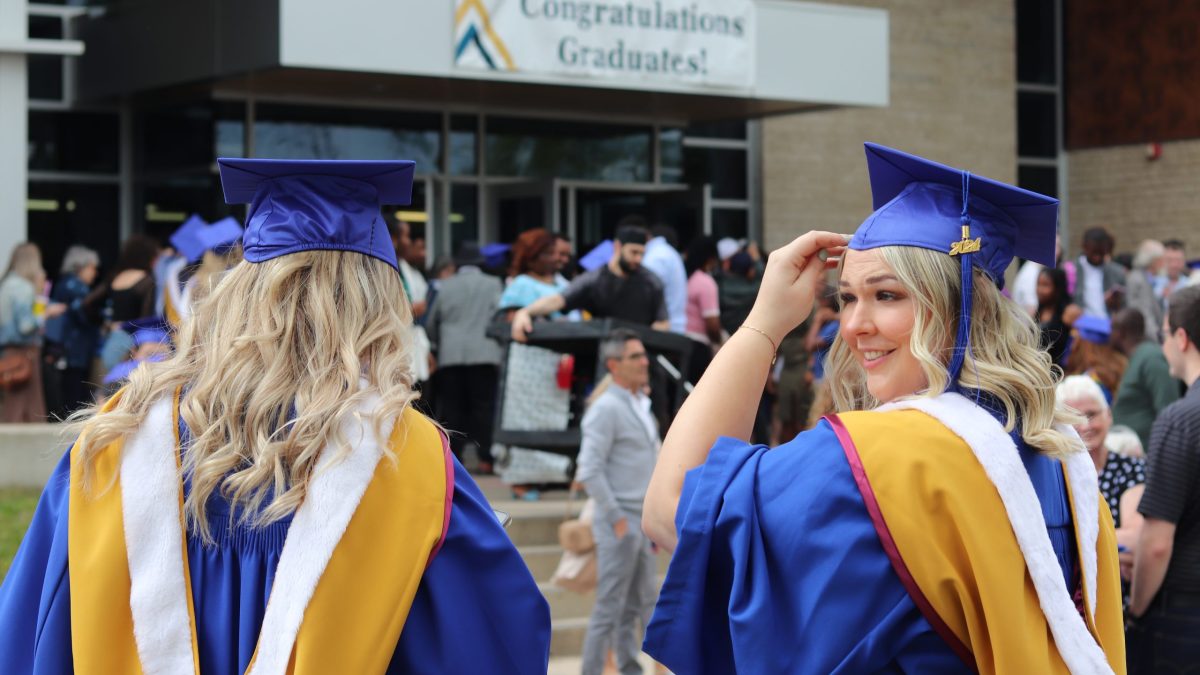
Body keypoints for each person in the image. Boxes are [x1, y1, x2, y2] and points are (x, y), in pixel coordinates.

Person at [0, 158, 551, 673]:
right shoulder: (415, 464)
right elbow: (497, 640)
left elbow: (29, 633)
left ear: (239, 294)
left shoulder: (119, 440)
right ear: (378, 309)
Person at [641, 143, 1124, 672]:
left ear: (960, 307)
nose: (853, 326)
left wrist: (765, 324)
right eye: (847, 297)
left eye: (887, 295)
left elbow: (671, 511)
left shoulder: (882, 459)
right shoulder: (1056, 451)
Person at [575, 329, 659, 675]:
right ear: (614, 365)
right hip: (620, 520)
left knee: (637, 604)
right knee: (609, 607)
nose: (644, 361)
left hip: (641, 520)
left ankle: (629, 667)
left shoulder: (639, 403)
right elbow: (589, 470)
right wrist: (617, 519)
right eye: (635, 356)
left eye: (643, 354)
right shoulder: (606, 408)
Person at [1128, 285, 1200, 672]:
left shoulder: (1180, 420)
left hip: (1186, 615)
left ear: (1182, 338)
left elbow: (1156, 542)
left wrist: (1136, 609)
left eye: (1165, 334)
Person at [510, 223, 669, 341]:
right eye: (634, 252)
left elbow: (662, 322)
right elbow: (559, 300)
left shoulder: (651, 282)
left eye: (642, 254)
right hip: (601, 355)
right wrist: (526, 312)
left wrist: (648, 339)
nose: (638, 259)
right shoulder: (595, 279)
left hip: (639, 357)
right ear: (618, 247)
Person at [425, 242, 503, 470]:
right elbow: (498, 318)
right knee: (484, 407)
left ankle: (454, 460)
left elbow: (431, 322)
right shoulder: (493, 284)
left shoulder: (445, 287)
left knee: (452, 408)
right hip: (484, 353)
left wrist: (437, 344)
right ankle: (486, 457)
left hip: (451, 355)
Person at [1057, 374, 1146, 552]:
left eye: (1091, 415)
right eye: (1073, 419)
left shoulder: (1130, 469)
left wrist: (1074, 545)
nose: (1084, 426)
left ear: (1109, 415)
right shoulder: (1056, 474)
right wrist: (1115, 549)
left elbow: (1136, 539)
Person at [0, 242, 65, 422]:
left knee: (13, 404)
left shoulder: (6, 285)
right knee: (28, 406)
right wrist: (47, 312)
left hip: (9, 351)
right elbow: (26, 326)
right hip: (25, 352)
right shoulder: (24, 288)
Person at [43, 245, 102, 418]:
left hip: (68, 349)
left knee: (70, 389)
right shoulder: (76, 287)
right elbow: (84, 316)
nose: (95, 273)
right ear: (80, 266)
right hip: (74, 349)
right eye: (92, 267)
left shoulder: (64, 284)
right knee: (75, 392)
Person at [85, 234, 159, 371]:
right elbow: (146, 319)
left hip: (113, 338)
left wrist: (104, 323)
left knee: (109, 385)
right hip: (133, 342)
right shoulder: (147, 281)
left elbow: (88, 303)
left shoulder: (115, 276)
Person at [1110, 308, 1179, 448]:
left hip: (1147, 454)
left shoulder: (1151, 357)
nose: (1109, 335)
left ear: (1121, 332)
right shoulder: (1137, 358)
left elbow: (1168, 407)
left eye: (1112, 329)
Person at [1064, 314, 1128, 403]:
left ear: (1083, 347)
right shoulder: (1124, 366)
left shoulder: (1088, 381)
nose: (1072, 347)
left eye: (1075, 341)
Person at [642, 224, 688, 334]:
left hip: (665, 332)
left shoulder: (655, 256)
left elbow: (648, 294)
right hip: (674, 328)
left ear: (648, 236)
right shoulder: (668, 252)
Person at [1073, 226, 1126, 319]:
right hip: (1080, 324)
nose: (1097, 257)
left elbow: (1124, 305)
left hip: (1107, 324)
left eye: (1101, 253)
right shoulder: (1071, 269)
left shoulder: (1117, 272)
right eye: (1094, 252)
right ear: (1085, 247)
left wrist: (1114, 302)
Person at [683, 235, 722, 347]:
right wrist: (720, 342)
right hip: (698, 344)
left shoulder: (684, 278)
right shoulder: (705, 282)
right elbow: (712, 323)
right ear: (711, 259)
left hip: (679, 339)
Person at [1125, 239, 1165, 341]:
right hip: (1147, 340)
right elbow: (1144, 315)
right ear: (1152, 261)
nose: (1163, 264)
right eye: (1161, 260)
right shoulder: (1138, 280)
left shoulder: (1147, 279)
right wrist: (1160, 340)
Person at [1036, 266, 1075, 367]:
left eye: (1045, 285)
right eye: (1038, 284)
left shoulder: (1068, 314)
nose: (1039, 290)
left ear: (1058, 288)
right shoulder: (1038, 311)